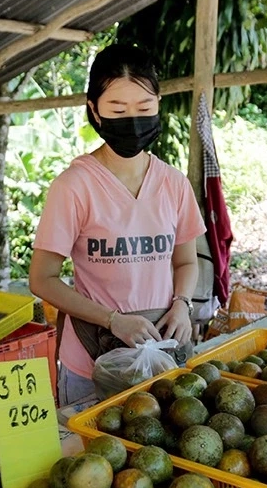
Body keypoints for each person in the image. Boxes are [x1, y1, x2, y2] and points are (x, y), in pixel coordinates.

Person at [29, 44, 206, 405]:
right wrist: (113, 320)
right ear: (94, 110)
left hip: (161, 352)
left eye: (144, 108)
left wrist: (182, 305)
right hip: (91, 360)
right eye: (117, 109)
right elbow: (41, 278)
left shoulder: (174, 184)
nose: (133, 120)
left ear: (159, 102)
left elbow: (186, 261)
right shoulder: (73, 186)